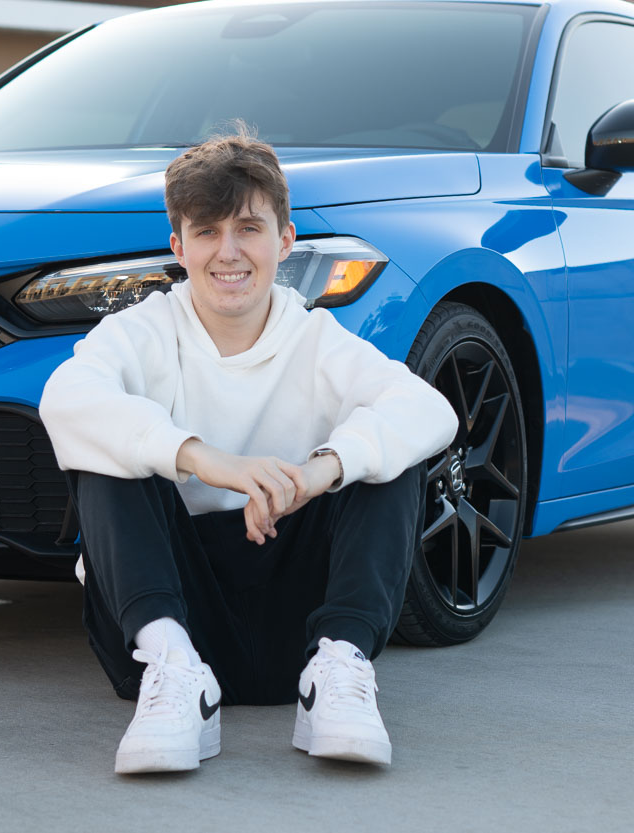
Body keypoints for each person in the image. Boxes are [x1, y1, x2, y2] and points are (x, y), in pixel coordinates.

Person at [38, 127, 458, 775]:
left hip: (300, 621)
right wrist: (207, 459)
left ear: (284, 241)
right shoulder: (143, 332)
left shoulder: (316, 338)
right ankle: (176, 675)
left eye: (248, 229)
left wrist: (319, 471)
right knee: (109, 450)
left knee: (383, 451)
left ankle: (339, 671)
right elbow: (66, 398)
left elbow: (430, 410)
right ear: (178, 247)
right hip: (170, 612)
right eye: (207, 231)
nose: (228, 252)